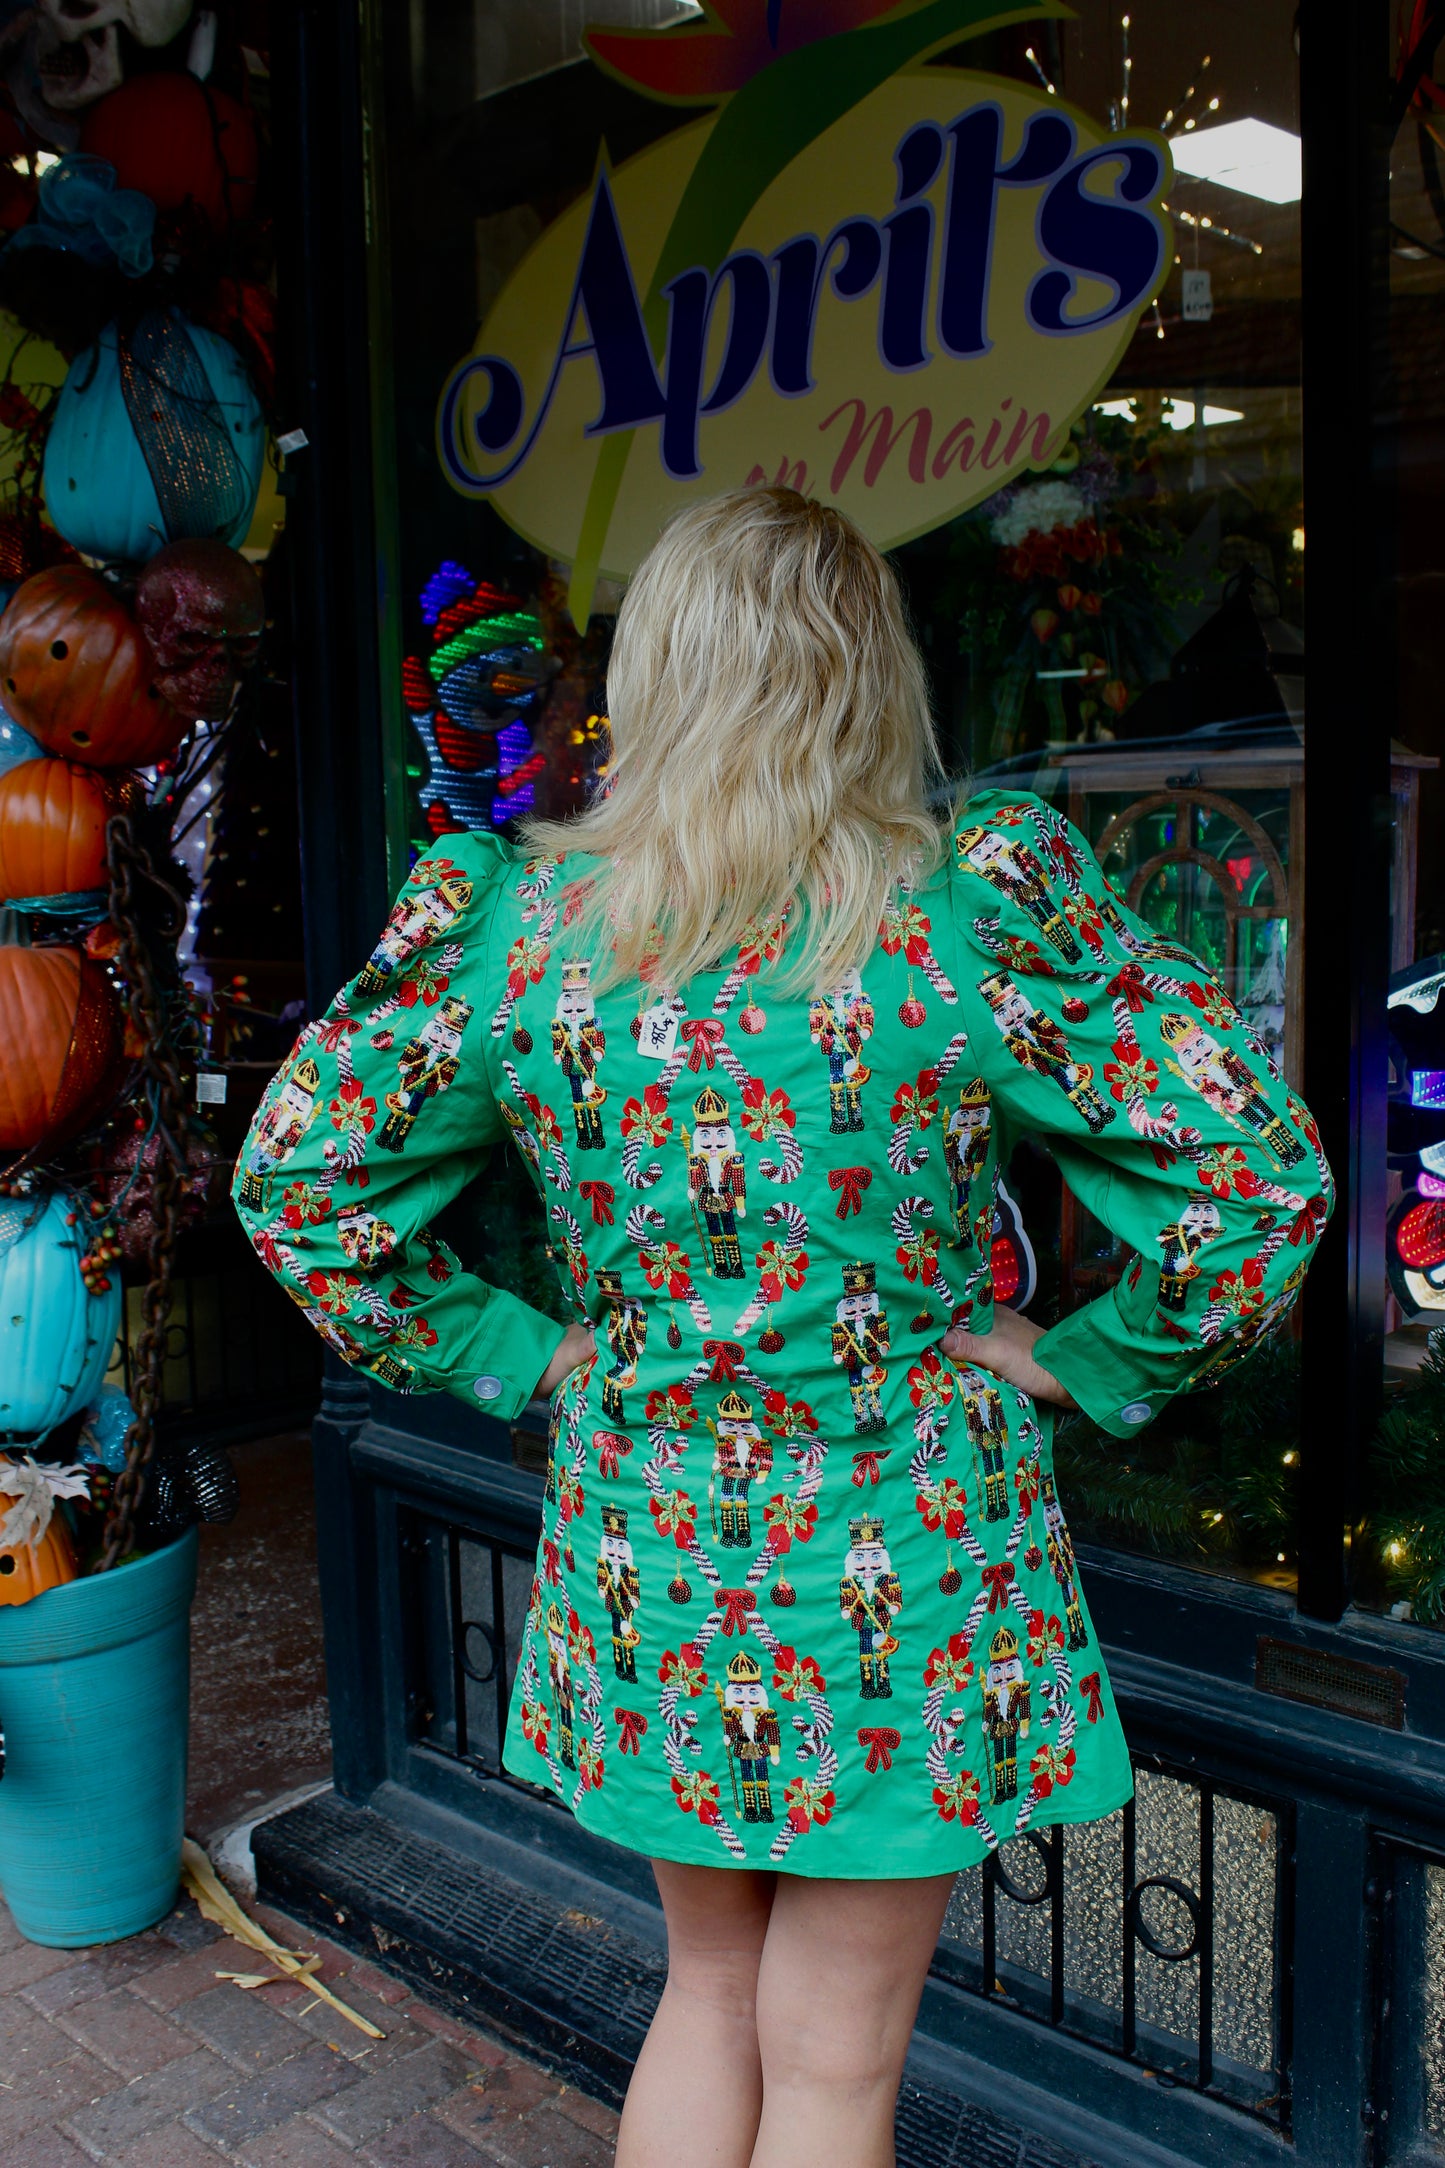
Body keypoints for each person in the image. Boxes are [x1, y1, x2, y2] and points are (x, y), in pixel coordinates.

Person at [234, 487, 1331, 2168]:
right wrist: (1090, 1358)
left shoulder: (520, 933)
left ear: (656, 680)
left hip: (658, 1552)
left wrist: (522, 1354)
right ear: (863, 675)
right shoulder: (967, 911)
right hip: (911, 1547)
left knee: (705, 1996)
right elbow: (1255, 1182)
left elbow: (302, 1183)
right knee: (831, 2071)